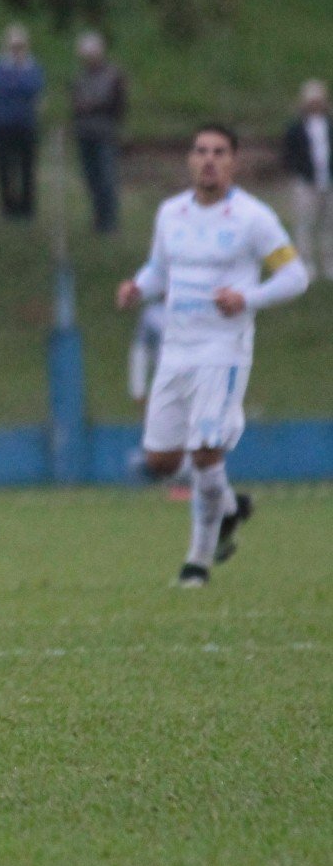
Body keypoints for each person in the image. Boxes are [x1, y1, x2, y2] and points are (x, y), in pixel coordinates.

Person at [115, 125, 308, 587]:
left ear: (233, 162)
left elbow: (296, 275)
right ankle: (228, 507)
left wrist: (248, 298)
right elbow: (161, 270)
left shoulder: (252, 218)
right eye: (201, 151)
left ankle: (196, 564)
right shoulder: (171, 214)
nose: (208, 160)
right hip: (175, 350)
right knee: (161, 461)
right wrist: (137, 288)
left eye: (219, 153)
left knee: (205, 450)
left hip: (223, 350)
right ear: (189, 160)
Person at [71, 31, 128, 235]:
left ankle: (110, 222)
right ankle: (98, 218)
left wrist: (93, 107)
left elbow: (118, 105)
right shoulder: (80, 77)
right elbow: (75, 104)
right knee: (91, 178)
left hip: (105, 133)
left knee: (107, 178)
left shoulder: (114, 75)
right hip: (85, 132)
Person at [0, 24, 44, 220]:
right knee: (5, 166)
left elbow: (34, 87)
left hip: (26, 124)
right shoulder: (0, 64)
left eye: (20, 45)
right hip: (3, 123)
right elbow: (3, 87)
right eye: (14, 46)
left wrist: (18, 83)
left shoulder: (33, 66)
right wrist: (20, 84)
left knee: (27, 167)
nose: (17, 50)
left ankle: (27, 208)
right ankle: (7, 206)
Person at [281, 78, 333, 279]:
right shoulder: (296, 129)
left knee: (328, 224)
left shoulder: (329, 127)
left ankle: (329, 263)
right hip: (305, 182)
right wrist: (299, 172)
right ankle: (306, 263)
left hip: (328, 181)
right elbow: (289, 154)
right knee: (305, 223)